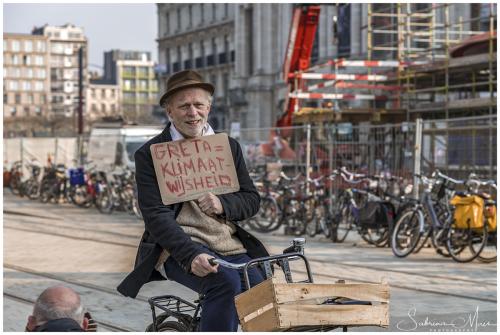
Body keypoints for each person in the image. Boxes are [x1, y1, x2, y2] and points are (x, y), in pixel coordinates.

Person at [117, 70, 269, 331]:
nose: (193, 113)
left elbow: (251, 200)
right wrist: (191, 254)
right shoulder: (151, 154)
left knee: (263, 291)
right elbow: (155, 215)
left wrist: (223, 204)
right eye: (184, 106)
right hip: (180, 247)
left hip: (228, 244)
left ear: (208, 107)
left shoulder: (227, 146)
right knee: (226, 283)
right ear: (169, 112)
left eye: (198, 105)